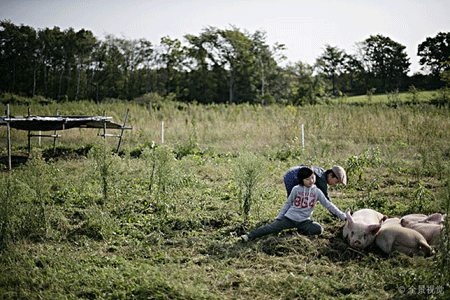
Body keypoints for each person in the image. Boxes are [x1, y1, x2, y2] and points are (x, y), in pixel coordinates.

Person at [241, 166, 346, 242]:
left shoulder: (317, 191)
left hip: (304, 220)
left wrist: (343, 216)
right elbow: (288, 203)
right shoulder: (296, 189)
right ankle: (249, 235)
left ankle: (299, 228)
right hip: (290, 218)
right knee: (270, 228)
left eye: (312, 178)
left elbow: (328, 204)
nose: (311, 181)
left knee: (318, 229)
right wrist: (279, 217)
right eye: (308, 179)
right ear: (302, 180)